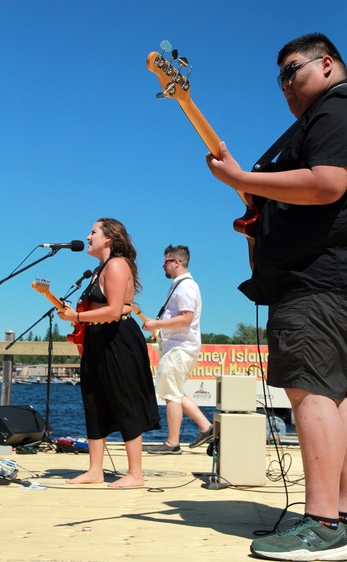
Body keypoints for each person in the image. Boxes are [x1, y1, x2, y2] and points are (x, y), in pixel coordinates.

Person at [206, 33, 347, 560]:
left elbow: (329, 183)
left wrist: (243, 178)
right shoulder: (320, 119)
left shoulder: (335, 109)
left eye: (293, 70)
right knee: (332, 397)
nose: (285, 85)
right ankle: (338, 514)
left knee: (310, 391)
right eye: (280, 78)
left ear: (328, 64)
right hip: (326, 279)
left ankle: (321, 524)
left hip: (314, 281)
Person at [57, 218, 160, 488]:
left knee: (123, 399)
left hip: (119, 340)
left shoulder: (116, 264)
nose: (88, 237)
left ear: (109, 239)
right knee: (93, 400)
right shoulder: (98, 269)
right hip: (98, 340)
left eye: (93, 232)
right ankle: (95, 470)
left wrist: (77, 315)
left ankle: (135, 474)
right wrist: (75, 316)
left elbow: (115, 310)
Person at [142, 245, 213, 455]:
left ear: (176, 262)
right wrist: (160, 330)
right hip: (178, 347)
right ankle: (206, 427)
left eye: (165, 262)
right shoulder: (180, 285)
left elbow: (186, 318)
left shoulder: (185, 287)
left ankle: (172, 443)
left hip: (179, 348)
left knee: (171, 395)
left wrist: (157, 325)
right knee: (174, 392)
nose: (162, 265)